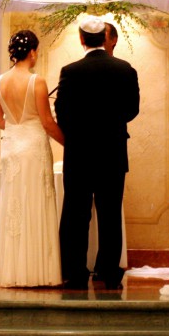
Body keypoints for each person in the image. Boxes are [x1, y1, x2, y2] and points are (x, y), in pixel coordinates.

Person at [55, 15, 140, 290]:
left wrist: (79, 132)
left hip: (79, 154)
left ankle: (75, 272)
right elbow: (131, 110)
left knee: (76, 214)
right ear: (105, 38)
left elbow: (63, 114)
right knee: (110, 213)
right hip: (113, 153)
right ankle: (109, 272)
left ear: (81, 39)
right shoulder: (125, 69)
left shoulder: (70, 71)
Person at [0, 29, 64, 287]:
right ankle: (37, 271)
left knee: (13, 207)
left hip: (11, 149)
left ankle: (10, 272)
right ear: (32, 52)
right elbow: (46, 121)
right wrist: (68, 142)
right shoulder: (37, 81)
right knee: (35, 204)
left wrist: (15, 129)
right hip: (34, 149)